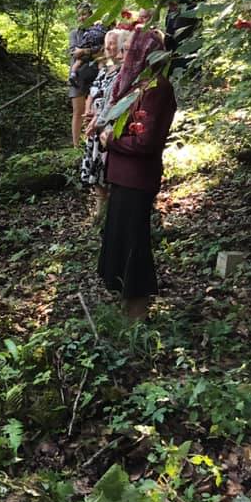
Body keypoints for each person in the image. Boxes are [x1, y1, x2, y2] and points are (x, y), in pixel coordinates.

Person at [97, 27, 176, 320]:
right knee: (120, 242)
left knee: (133, 246)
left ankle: (137, 313)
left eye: (130, 48)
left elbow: (145, 142)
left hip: (137, 179)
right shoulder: (135, 85)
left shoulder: (156, 88)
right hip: (122, 177)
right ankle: (126, 306)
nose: (123, 53)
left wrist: (110, 139)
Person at [80, 30, 125, 217]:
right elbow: (92, 92)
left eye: (112, 43)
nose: (108, 47)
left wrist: (99, 117)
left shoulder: (125, 71)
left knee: (109, 167)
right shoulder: (104, 68)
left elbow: (115, 100)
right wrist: (88, 110)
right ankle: (99, 210)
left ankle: (112, 210)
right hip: (95, 125)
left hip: (109, 125)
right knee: (96, 166)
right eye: (107, 43)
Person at [69, 3, 105, 146]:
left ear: (91, 14)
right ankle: (76, 145)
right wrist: (90, 52)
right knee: (78, 111)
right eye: (79, 14)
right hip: (77, 75)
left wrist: (84, 52)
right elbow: (73, 52)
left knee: (94, 108)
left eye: (84, 14)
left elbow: (102, 51)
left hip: (95, 74)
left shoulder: (99, 31)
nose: (81, 17)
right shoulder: (74, 34)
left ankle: (92, 140)